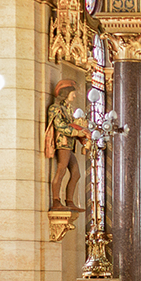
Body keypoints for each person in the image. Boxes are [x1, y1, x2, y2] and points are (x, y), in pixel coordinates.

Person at [44, 80, 89, 209]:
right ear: (65, 93)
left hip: (69, 144)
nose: (74, 96)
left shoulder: (68, 110)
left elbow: (71, 123)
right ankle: (56, 201)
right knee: (61, 170)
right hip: (62, 143)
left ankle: (69, 201)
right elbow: (60, 126)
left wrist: (82, 128)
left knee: (76, 173)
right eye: (72, 93)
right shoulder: (55, 109)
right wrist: (77, 132)